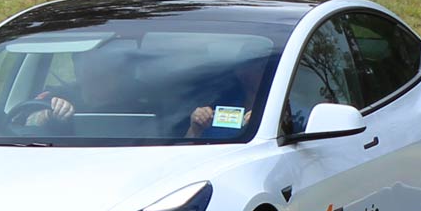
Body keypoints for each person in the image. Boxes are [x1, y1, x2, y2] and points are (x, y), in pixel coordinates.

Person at [27, 49, 267, 139]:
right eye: (89, 70)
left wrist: (195, 128)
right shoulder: (61, 96)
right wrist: (46, 115)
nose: (95, 77)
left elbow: (176, 153)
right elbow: (22, 120)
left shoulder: (146, 103)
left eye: (105, 73)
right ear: (78, 70)